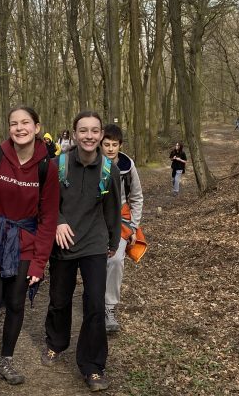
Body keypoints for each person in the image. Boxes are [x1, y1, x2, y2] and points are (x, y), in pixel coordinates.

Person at [0, 105, 60, 393]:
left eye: (25, 123)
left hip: (26, 241)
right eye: (13, 123)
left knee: (17, 304)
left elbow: (48, 219)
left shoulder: (48, 167)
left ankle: (6, 358)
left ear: (36, 127)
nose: (19, 128)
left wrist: (39, 262)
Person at [42, 111, 121, 392]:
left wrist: (113, 241)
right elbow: (45, 202)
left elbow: (113, 208)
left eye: (95, 131)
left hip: (94, 244)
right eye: (83, 130)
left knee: (95, 305)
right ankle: (56, 342)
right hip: (62, 243)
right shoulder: (56, 165)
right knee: (60, 300)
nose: (89, 136)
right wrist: (59, 223)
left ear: (101, 135)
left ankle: (93, 365)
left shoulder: (109, 169)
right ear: (74, 134)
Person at [100, 124, 143, 333]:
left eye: (114, 145)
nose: (110, 148)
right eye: (106, 144)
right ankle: (93, 303)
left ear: (120, 145)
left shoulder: (128, 166)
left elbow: (136, 197)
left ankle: (109, 308)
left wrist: (133, 227)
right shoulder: (91, 162)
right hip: (95, 220)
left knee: (116, 260)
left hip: (121, 220)